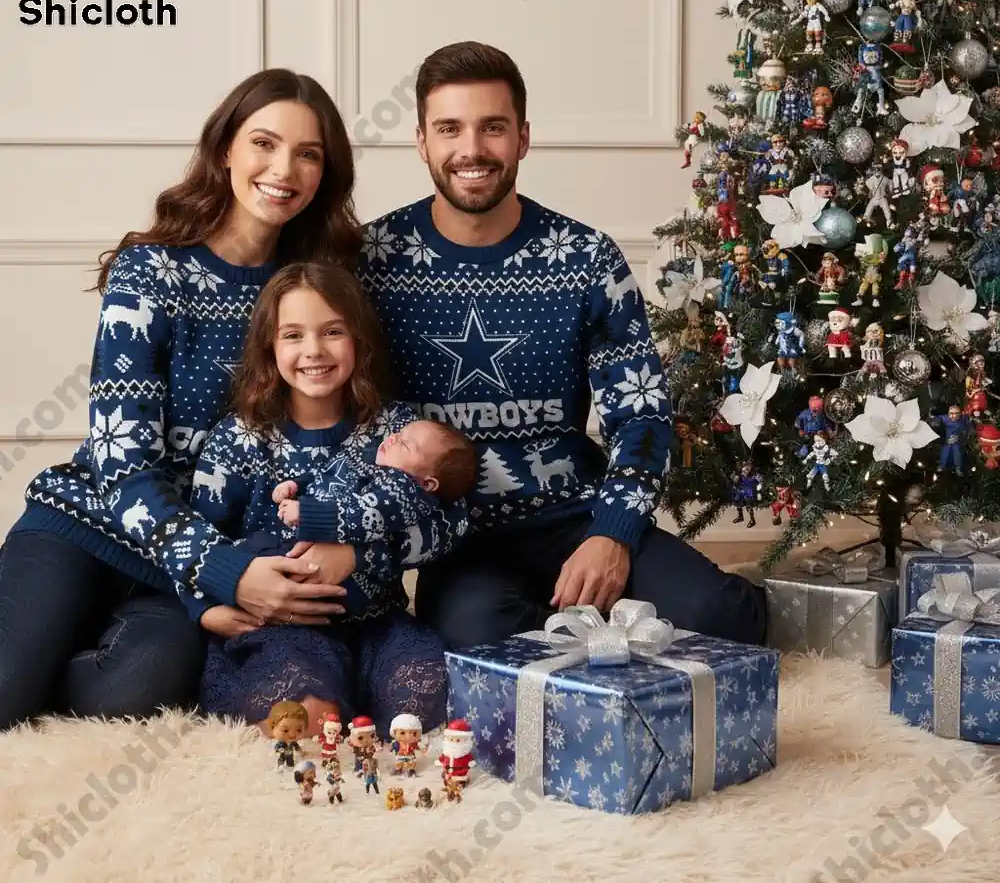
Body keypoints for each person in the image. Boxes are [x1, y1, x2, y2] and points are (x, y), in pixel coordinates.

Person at [356, 41, 767, 650]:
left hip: (577, 515)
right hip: (460, 536)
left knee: (721, 620)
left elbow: (642, 416)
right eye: (450, 129)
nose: (471, 149)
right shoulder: (372, 262)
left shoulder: (586, 258)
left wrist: (613, 533)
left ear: (522, 137)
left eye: (492, 127)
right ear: (422, 141)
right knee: (476, 648)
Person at [0, 69, 365, 732]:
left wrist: (222, 576)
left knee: (137, 691)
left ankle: (56, 647)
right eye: (264, 142)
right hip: (86, 523)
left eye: (309, 154)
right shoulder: (153, 273)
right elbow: (122, 463)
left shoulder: (318, 294)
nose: (284, 168)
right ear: (224, 148)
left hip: (177, 573)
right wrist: (225, 572)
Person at [193, 262, 473, 737]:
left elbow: (451, 521)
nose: (314, 351)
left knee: (424, 698)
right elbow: (198, 540)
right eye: (293, 335)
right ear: (270, 346)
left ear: (358, 340)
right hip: (283, 627)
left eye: (332, 331)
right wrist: (199, 608)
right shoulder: (240, 438)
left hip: (376, 622)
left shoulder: (397, 430)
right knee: (306, 718)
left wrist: (358, 553)